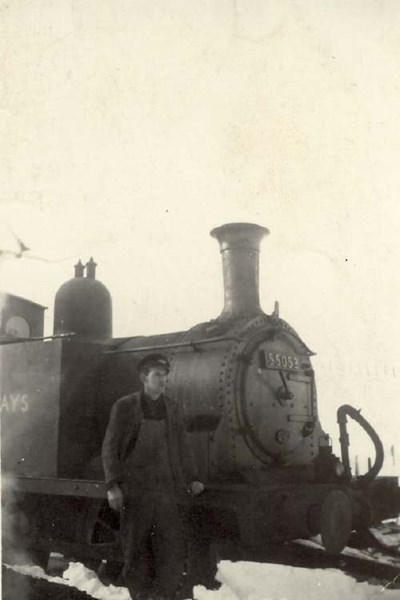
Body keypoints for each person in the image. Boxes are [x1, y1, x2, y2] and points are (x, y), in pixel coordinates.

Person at [101, 353, 204, 600]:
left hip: (167, 491)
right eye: (157, 374)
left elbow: (183, 448)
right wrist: (112, 485)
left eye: (165, 375)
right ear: (143, 378)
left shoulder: (173, 408)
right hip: (136, 491)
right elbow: (110, 446)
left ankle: (164, 596)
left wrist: (193, 478)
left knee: (170, 549)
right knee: (135, 550)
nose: (163, 379)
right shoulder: (125, 406)